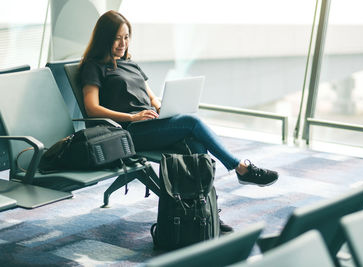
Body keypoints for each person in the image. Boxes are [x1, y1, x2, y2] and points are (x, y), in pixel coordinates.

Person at [79, 11, 279, 229]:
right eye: (117, 38)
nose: (122, 43)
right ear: (104, 38)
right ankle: (240, 168)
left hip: (150, 125)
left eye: (126, 37)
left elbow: (152, 97)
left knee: (196, 147)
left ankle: (205, 213)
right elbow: (91, 108)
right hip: (127, 132)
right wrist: (132, 116)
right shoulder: (94, 66)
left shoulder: (131, 64)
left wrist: (164, 107)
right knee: (192, 122)